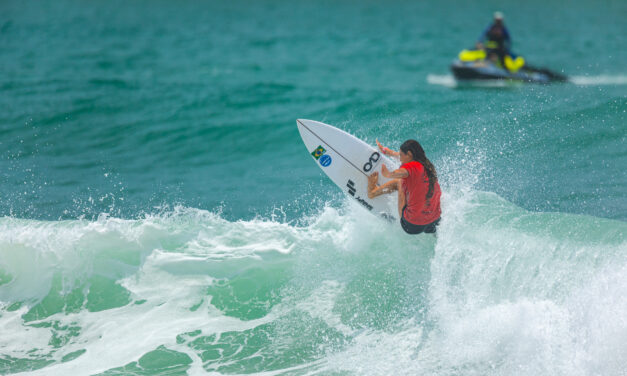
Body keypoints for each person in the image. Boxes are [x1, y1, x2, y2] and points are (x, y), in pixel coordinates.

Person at [367, 139, 441, 235]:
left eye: (401, 155)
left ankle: (373, 192)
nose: (400, 158)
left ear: (409, 154)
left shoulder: (411, 167)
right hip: (434, 222)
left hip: (412, 226)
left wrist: (389, 174)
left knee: (400, 181)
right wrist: (388, 152)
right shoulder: (427, 165)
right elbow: (406, 161)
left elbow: (404, 172)